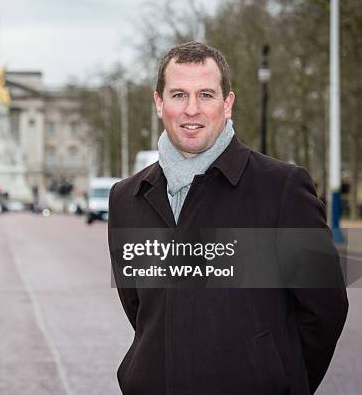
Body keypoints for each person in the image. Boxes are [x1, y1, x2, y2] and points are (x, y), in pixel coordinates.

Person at [107, 42, 348, 395]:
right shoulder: (127, 198)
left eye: (206, 94)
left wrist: (279, 378)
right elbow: (140, 309)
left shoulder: (282, 187)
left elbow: (324, 309)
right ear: (159, 103)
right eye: (178, 95)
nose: (192, 109)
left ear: (227, 103)